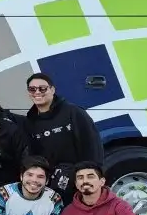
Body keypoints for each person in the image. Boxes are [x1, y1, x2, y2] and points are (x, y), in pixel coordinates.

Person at [23, 72, 104, 202]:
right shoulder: (30, 120)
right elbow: (34, 155)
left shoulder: (74, 112)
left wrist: (84, 178)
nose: (37, 92)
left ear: (52, 90)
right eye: (32, 89)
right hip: (51, 185)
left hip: (77, 181)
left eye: (42, 88)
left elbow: (92, 147)